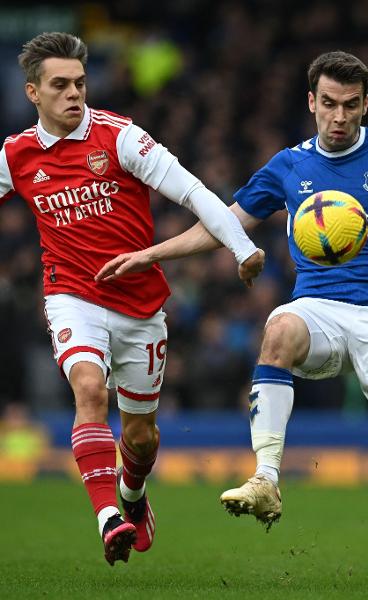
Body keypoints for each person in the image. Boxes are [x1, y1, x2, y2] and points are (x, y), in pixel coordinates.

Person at [97, 51, 368, 589]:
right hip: (319, 308)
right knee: (279, 328)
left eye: (350, 106)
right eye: (328, 104)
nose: (338, 116)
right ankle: (265, 478)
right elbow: (223, 224)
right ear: (311, 102)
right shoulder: (289, 165)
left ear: (365, 105)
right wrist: (151, 254)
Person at [0, 31, 264, 566]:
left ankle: (133, 496)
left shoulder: (121, 139)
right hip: (70, 295)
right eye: (60, 85)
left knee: (140, 438)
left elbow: (193, 193)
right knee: (89, 390)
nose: (74, 93)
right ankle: (108, 520)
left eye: (80, 82)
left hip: (141, 309)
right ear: (33, 93)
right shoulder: (14, 155)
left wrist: (241, 247)